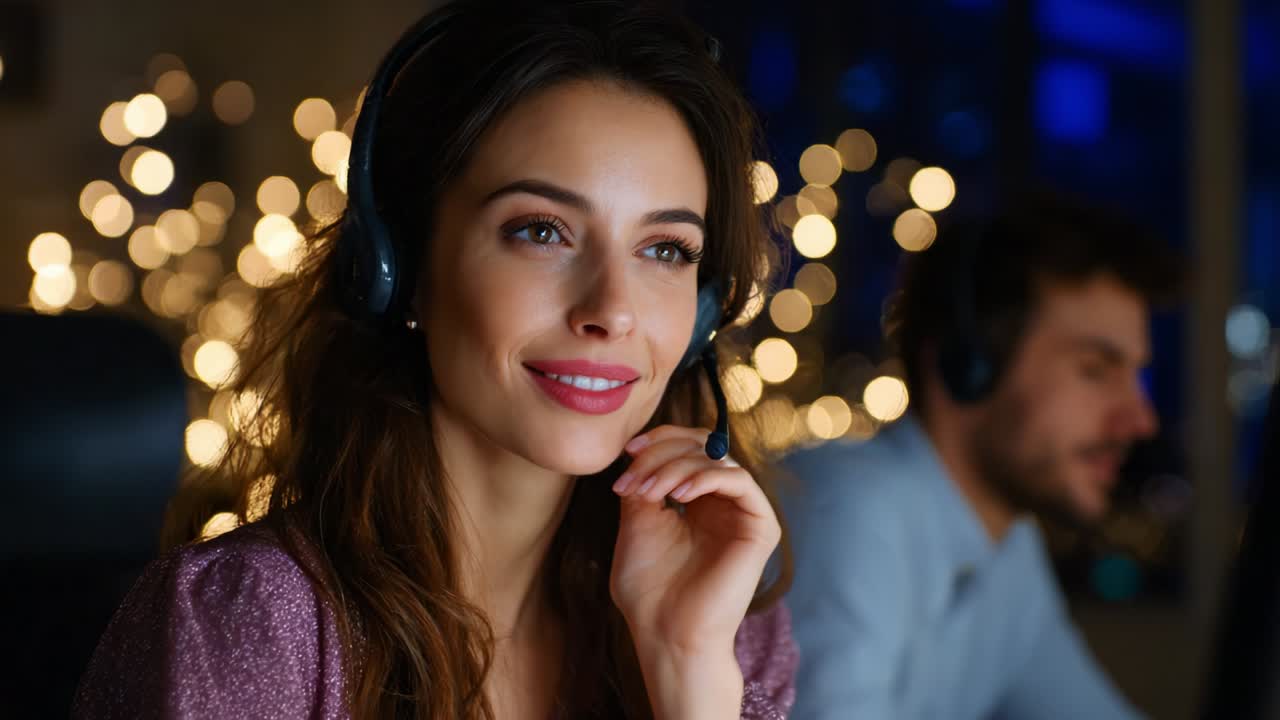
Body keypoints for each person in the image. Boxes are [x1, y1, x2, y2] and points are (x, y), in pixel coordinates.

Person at [72, 2, 797, 718]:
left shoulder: (721, 620)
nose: (612, 311)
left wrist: (685, 667)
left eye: (665, 249)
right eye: (541, 231)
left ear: (703, 314)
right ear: (400, 265)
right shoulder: (251, 627)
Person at [781, 198, 1181, 719]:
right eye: (1095, 370)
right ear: (967, 366)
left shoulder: (1009, 547)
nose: (1141, 420)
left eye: (1136, 375)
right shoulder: (855, 511)